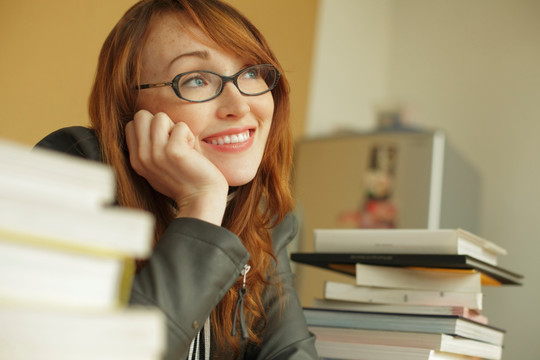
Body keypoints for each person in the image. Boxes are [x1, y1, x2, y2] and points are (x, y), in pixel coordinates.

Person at [35, 0, 318, 359]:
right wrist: (202, 202)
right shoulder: (77, 171)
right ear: (130, 108)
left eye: (250, 73)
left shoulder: (258, 212)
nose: (240, 105)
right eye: (196, 79)